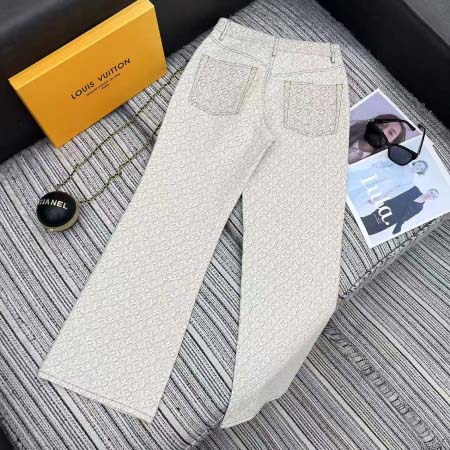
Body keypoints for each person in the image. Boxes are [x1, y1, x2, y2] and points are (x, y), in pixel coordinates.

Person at [347, 159, 428, 214]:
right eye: (419, 164)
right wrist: (377, 165)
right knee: (356, 182)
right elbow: (385, 163)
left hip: (383, 187)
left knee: (363, 195)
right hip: (377, 174)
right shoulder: (403, 162)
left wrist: (382, 198)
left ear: (421, 171)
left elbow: (396, 191)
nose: (419, 167)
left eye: (421, 168)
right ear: (416, 162)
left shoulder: (410, 181)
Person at [361, 187, 439, 235]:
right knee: (368, 219)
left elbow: (407, 217)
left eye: (433, 196)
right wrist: (382, 199)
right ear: (428, 190)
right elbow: (397, 193)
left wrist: (398, 226)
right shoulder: (414, 190)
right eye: (431, 192)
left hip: (393, 219)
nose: (431, 195)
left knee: (372, 229)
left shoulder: (420, 208)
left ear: (432, 199)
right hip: (388, 207)